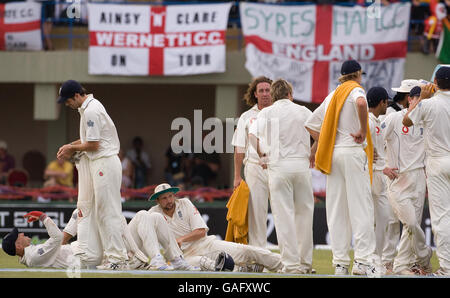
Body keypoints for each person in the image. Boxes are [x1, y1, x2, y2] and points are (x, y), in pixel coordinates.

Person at [305, 60, 383, 276]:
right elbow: (360, 103)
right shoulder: (355, 90)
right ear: (357, 75)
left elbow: (311, 124)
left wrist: (327, 142)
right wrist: (361, 130)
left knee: (337, 211)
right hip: (352, 152)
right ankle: (362, 262)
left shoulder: (333, 95)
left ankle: (340, 264)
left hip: (334, 155)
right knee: (361, 209)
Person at [56, 80, 129, 270]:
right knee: (102, 211)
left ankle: (117, 260)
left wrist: (71, 148)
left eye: (68, 100)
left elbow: (94, 145)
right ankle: (112, 257)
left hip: (104, 161)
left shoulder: (90, 111)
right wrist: (69, 147)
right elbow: (89, 139)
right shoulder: (88, 108)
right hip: (101, 162)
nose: (67, 104)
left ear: (77, 96)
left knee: (108, 211)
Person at [248, 79, 314, 274]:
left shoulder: (266, 112)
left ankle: (291, 265)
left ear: (274, 95)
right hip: (301, 166)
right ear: (290, 94)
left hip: (278, 167)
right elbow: (320, 132)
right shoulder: (302, 111)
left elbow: (252, 136)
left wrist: (262, 155)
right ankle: (305, 264)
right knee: (304, 215)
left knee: (283, 216)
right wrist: (313, 151)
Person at [147, 183, 284, 273]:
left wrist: (182, 239)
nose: (169, 201)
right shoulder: (153, 214)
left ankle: (283, 265)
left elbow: (201, 232)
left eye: (170, 196)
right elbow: (144, 233)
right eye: (164, 198)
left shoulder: (185, 203)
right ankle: (246, 269)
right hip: (183, 257)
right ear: (158, 201)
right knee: (210, 266)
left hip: (205, 244)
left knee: (246, 250)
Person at [403, 66, 450, 276]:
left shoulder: (429, 104)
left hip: (438, 162)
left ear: (436, 83)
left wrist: (421, 97)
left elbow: (406, 120)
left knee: (441, 218)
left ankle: (447, 268)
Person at [382, 85, 432, 275]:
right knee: (410, 223)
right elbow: (374, 140)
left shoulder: (427, 121)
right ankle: (424, 255)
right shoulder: (394, 118)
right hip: (398, 179)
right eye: (417, 99)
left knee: (411, 227)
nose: (420, 104)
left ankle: (402, 265)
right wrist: (382, 167)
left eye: (423, 100)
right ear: (410, 99)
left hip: (419, 177)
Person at [1, 209, 147, 270]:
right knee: (116, 217)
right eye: (18, 236)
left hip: (80, 250)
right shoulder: (33, 256)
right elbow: (57, 237)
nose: (22, 234)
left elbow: (56, 242)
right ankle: (135, 256)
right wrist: (42, 216)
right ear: (18, 246)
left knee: (79, 212)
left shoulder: (32, 254)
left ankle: (132, 257)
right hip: (84, 255)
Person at [231, 76, 273, 248]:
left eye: (268, 90)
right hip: (254, 168)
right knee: (257, 213)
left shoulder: (280, 111)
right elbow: (239, 147)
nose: (265, 94)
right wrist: (236, 176)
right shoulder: (246, 116)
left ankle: (291, 261)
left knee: (284, 211)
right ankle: (258, 257)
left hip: (278, 168)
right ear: (255, 94)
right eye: (261, 91)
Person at [366, 87, 401, 273]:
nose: (387, 105)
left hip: (376, 175)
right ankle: (373, 260)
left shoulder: (374, 122)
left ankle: (375, 259)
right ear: (381, 102)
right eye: (385, 102)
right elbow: (368, 154)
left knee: (381, 219)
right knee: (376, 220)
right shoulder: (370, 123)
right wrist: (381, 168)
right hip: (372, 177)